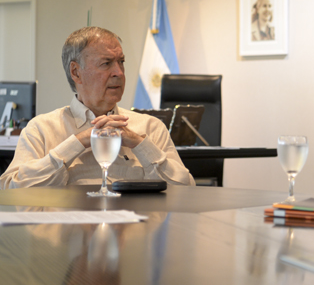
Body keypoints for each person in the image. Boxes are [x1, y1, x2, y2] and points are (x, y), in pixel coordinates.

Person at [0, 26, 195, 188]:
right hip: (66, 224)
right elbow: (11, 188)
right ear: (76, 72)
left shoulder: (150, 128)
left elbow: (186, 189)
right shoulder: (41, 129)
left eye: (121, 62)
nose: (119, 72)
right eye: (106, 63)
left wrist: (139, 144)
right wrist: (77, 142)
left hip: (135, 223)